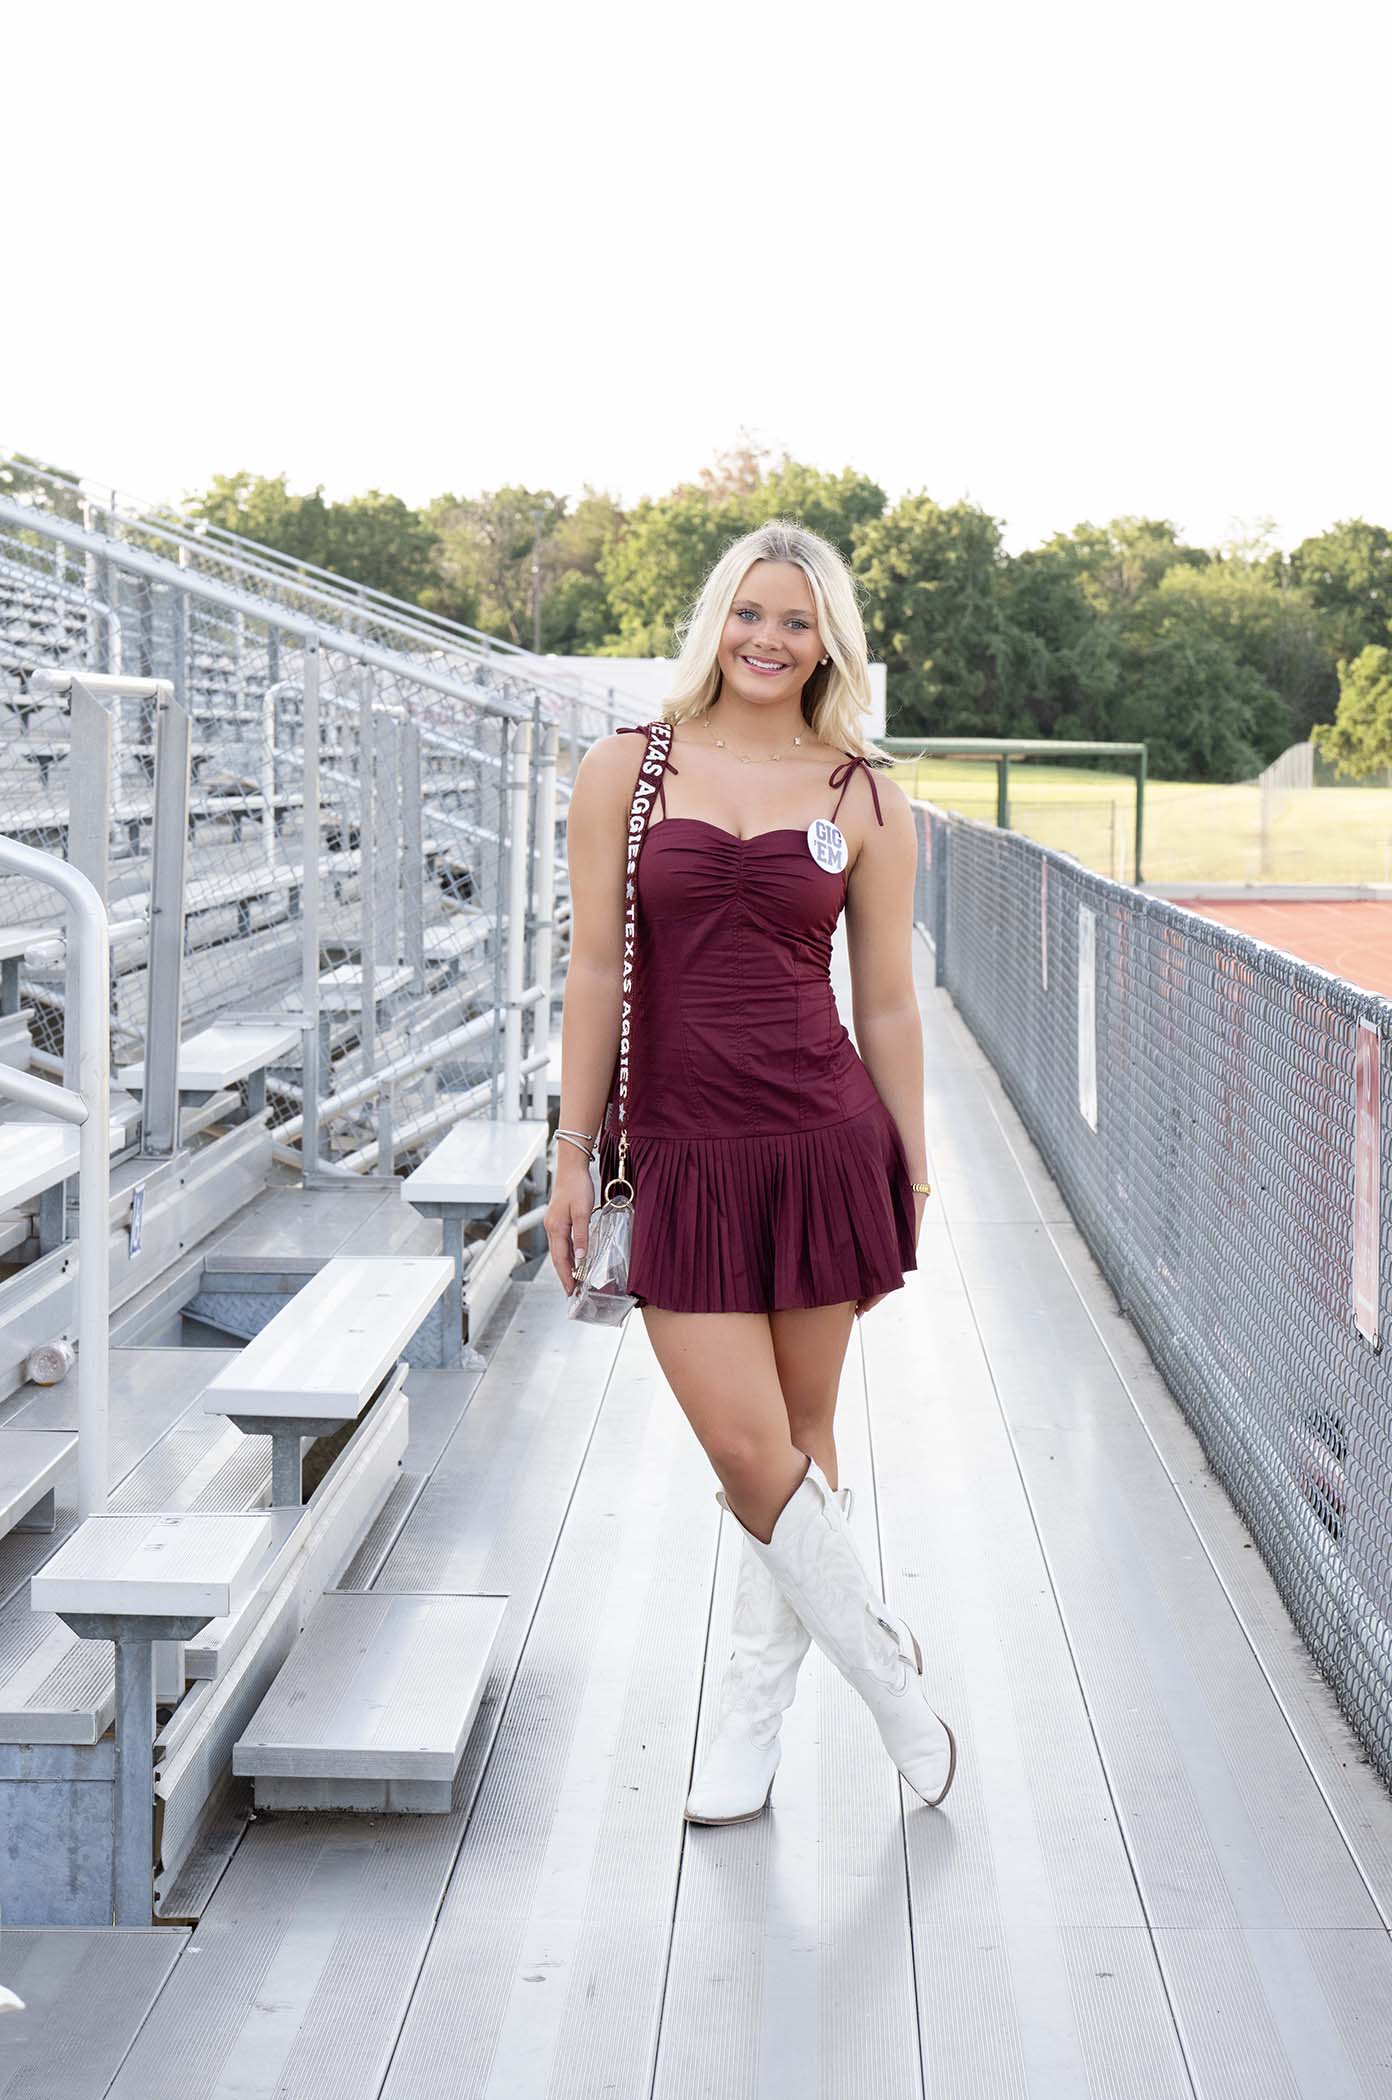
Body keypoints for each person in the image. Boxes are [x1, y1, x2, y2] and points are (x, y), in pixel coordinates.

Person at [544, 519, 956, 1825]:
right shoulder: (626, 768)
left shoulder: (864, 794)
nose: (770, 641)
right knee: (742, 1444)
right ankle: (890, 1671)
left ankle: (745, 1739)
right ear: (715, 620)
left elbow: (885, 1002)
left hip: (821, 1141)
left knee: (798, 1440)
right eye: (751, 614)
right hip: (676, 1150)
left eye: (799, 622)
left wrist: (913, 1160)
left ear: (829, 643)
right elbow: (596, 972)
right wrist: (570, 1149)